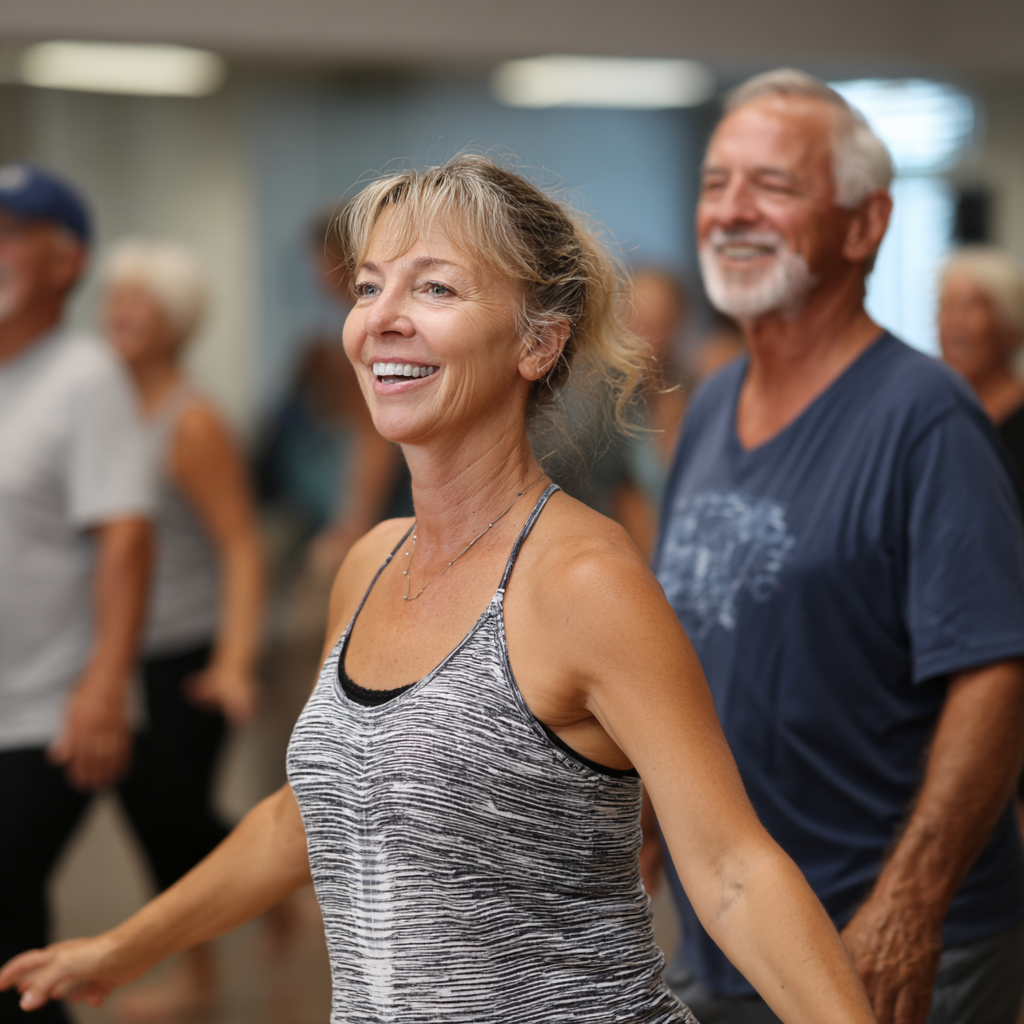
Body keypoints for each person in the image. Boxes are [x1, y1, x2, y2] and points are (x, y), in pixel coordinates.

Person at [0, 155, 877, 1024]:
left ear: (539, 342)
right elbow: (310, 811)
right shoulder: (372, 562)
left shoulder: (582, 583)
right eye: (369, 287)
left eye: (435, 290)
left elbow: (731, 870)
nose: (381, 320)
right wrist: (122, 949)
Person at [652, 69, 1024, 1024]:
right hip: (729, 925)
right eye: (714, 182)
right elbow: (694, 646)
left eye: (773, 185)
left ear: (865, 226)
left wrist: (912, 901)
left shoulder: (925, 417)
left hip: (879, 937)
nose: (732, 211)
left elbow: (995, 678)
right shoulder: (706, 412)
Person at [0, 165, 154, 1024]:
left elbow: (127, 536)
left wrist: (104, 681)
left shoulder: (86, 376)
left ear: (68, 263)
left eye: (13, 234)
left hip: (46, 714)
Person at [99, 239, 266, 1021]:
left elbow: (239, 543)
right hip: (123, 652)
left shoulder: (190, 422)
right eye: (116, 298)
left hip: (188, 647)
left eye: (142, 302)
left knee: (171, 815)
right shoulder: (103, 409)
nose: (121, 312)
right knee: (156, 813)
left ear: (177, 322)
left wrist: (233, 660)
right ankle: (269, 884)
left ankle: (197, 978)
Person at [938, 247, 1024, 493]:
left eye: (970, 307)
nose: (953, 321)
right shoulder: (935, 414)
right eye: (945, 306)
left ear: (1009, 326)